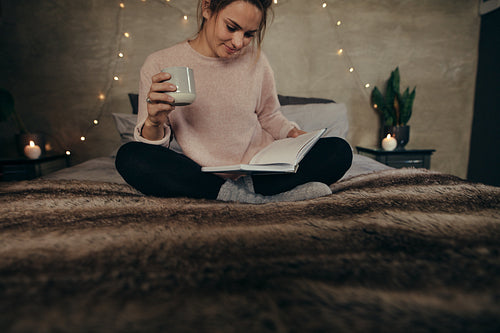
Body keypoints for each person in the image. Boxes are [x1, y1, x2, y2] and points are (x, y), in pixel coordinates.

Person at [115, 0, 352, 203]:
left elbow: (269, 116)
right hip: (201, 173)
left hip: (262, 170)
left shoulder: (257, 60)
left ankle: (240, 194)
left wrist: (295, 136)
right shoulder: (159, 63)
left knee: (339, 151)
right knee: (130, 156)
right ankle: (249, 196)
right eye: (231, 27)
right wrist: (154, 121)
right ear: (207, 7)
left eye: (249, 34)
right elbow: (151, 149)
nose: (239, 43)